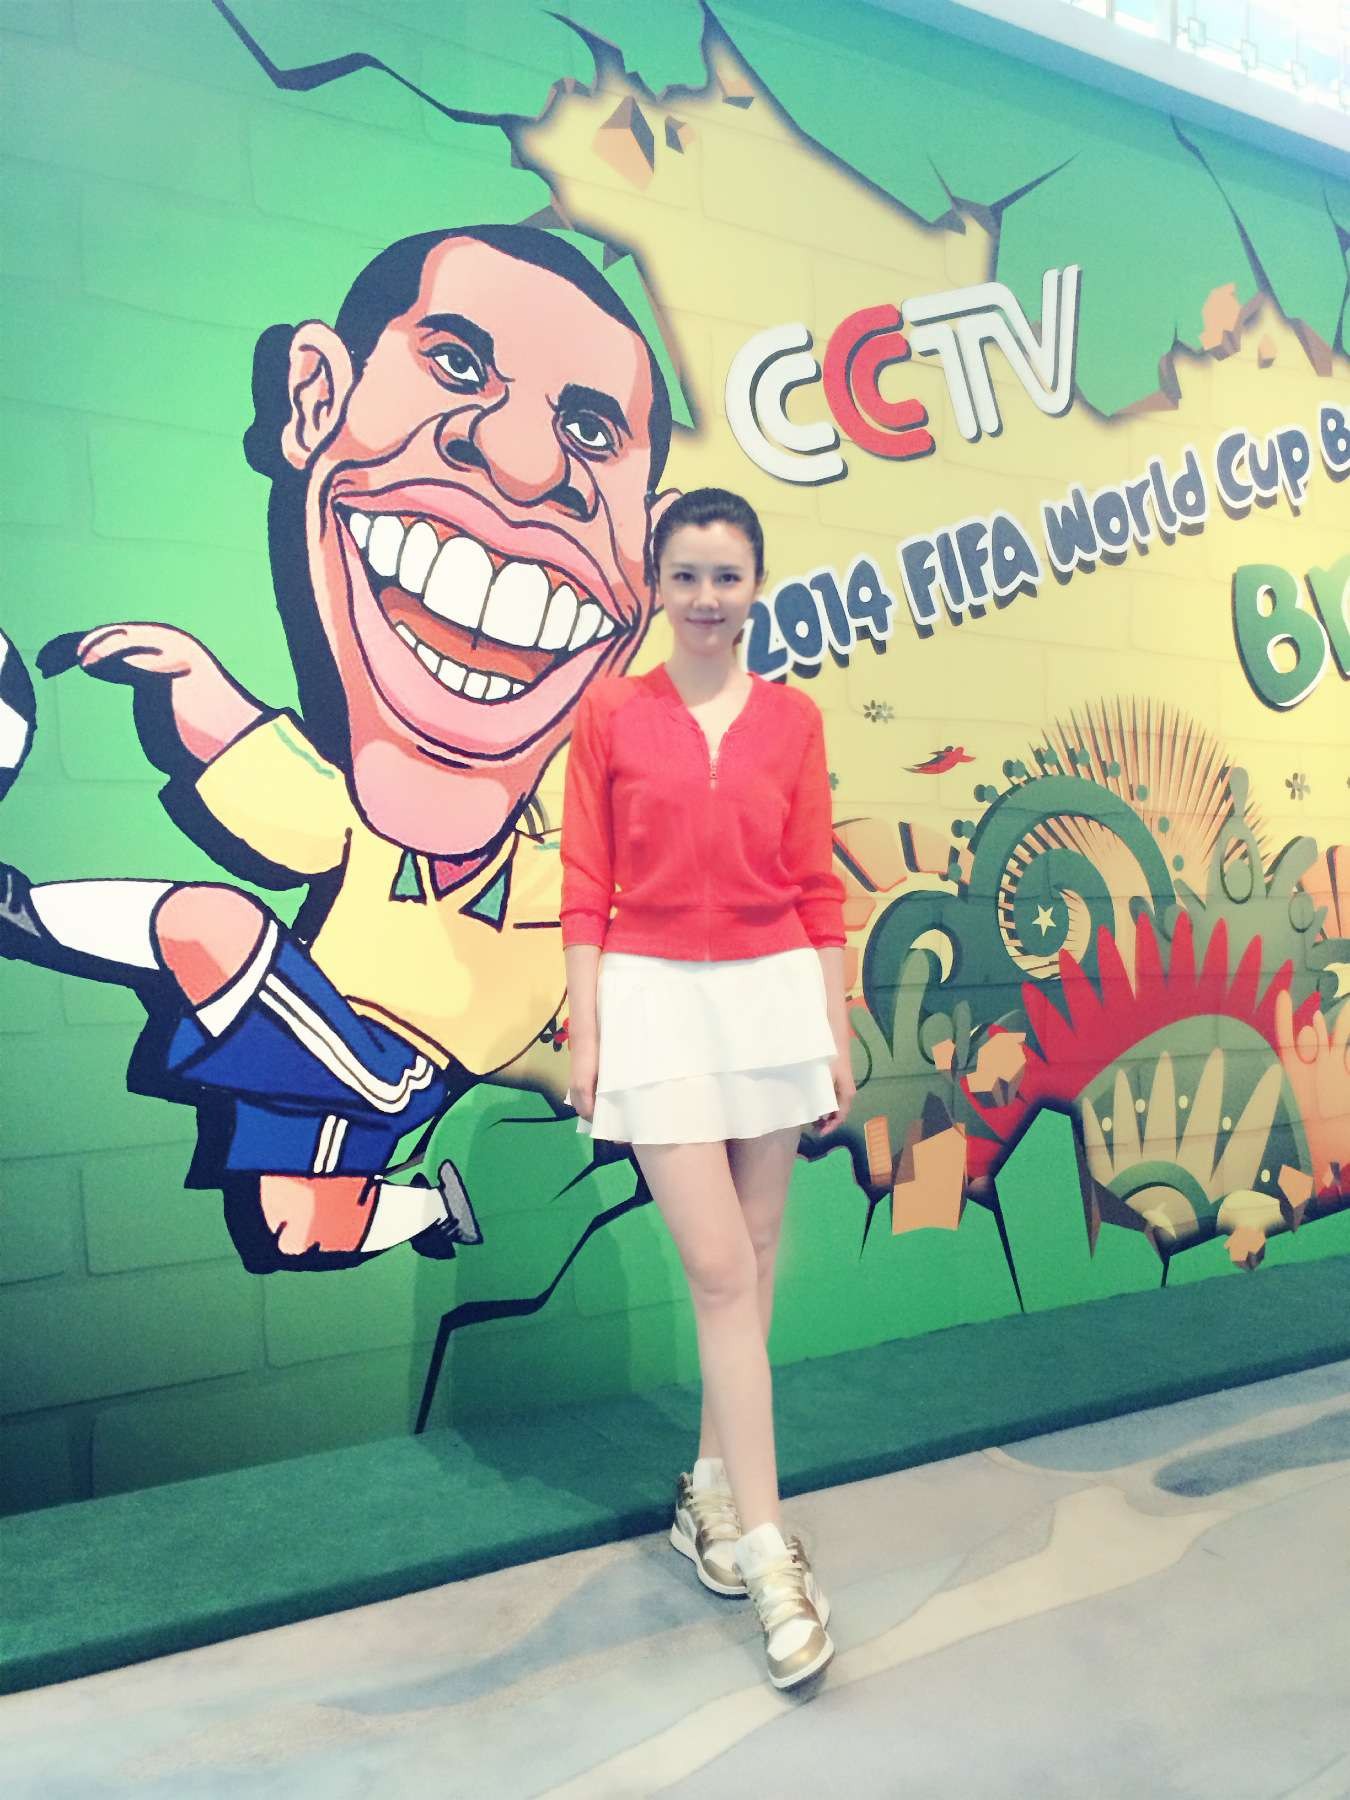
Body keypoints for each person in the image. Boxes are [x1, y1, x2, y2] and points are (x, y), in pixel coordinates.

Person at [0, 225, 677, 1272]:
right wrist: (194, 683)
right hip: (323, 1039)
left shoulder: (570, 870)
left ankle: (16, 907)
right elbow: (285, 790)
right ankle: (432, 1212)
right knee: (300, 1225)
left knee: (210, 925)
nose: (523, 461)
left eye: (590, 429)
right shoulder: (375, 830)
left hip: (392, 1067)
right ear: (315, 397)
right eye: (457, 363)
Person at [560, 487, 853, 1691]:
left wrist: (833, 1026)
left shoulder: (795, 719)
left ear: (755, 586)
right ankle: (774, 1553)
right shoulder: (611, 713)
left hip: (774, 997)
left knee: (759, 1255)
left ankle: (711, 1498)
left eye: (726, 576)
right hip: (653, 1002)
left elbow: (817, 883)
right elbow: (585, 881)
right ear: (656, 584)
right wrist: (587, 1026)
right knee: (724, 1273)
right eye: (685, 574)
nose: (706, 597)